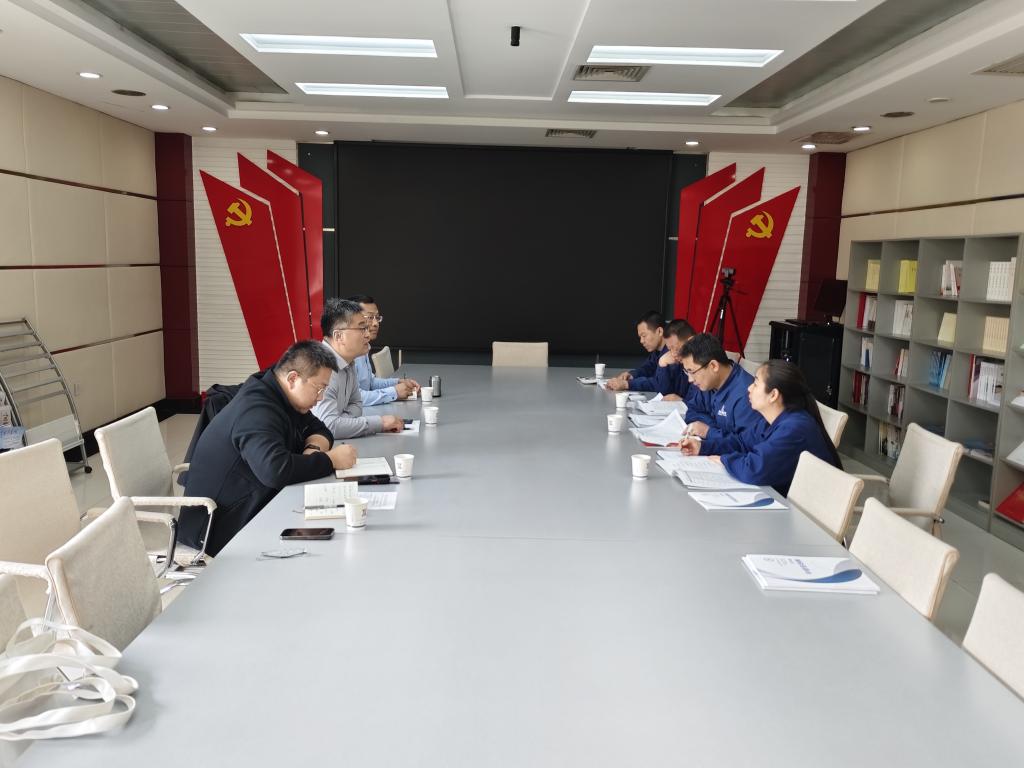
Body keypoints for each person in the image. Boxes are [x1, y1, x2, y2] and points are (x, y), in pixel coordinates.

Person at [178, 340, 358, 556]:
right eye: (318, 388)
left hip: (254, 504)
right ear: (292, 378)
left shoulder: (281, 394)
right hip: (217, 529)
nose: (320, 398)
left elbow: (319, 428)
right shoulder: (256, 410)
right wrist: (331, 460)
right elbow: (275, 470)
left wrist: (312, 449)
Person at [680, 360, 842, 495]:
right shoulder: (771, 420)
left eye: (756, 384)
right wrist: (703, 447)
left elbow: (754, 469)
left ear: (773, 395)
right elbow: (741, 442)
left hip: (802, 513)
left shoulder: (794, 428)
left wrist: (724, 460)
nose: (749, 388)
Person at [312, 298, 405, 438]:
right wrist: (380, 423)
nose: (367, 334)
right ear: (339, 336)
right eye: (362, 329)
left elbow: (357, 405)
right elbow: (329, 426)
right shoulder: (323, 367)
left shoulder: (348, 361)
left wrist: (342, 421)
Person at [677, 333, 763, 449]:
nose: (690, 379)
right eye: (687, 372)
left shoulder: (747, 395)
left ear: (713, 366)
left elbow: (745, 445)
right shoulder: (707, 383)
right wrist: (711, 428)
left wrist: (709, 432)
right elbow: (692, 411)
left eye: (692, 372)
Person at [345, 294, 419, 405]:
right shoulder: (346, 353)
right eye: (370, 318)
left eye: (377, 318)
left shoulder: (363, 346)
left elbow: (370, 383)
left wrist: (398, 382)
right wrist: (394, 392)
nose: (376, 324)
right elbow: (354, 397)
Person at [606, 310, 667, 392]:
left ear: (659, 331)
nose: (641, 341)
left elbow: (659, 383)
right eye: (640, 337)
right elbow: (647, 368)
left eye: (644, 336)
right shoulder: (657, 351)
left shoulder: (673, 353)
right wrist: (631, 375)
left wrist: (627, 384)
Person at [651, 318, 699, 405]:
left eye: (676, 348)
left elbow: (700, 405)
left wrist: (681, 401)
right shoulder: (677, 363)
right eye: (669, 349)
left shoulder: (702, 366)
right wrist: (662, 363)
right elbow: (664, 393)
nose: (673, 354)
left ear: (691, 341)